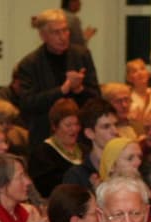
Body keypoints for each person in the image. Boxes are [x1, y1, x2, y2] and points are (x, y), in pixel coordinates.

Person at [10, 9, 100, 145]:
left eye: (65, 30)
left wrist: (79, 89)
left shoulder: (81, 55)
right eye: (56, 32)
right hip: (45, 135)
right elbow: (27, 104)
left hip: (80, 136)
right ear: (43, 35)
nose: (63, 37)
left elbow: (96, 97)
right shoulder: (29, 64)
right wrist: (62, 90)